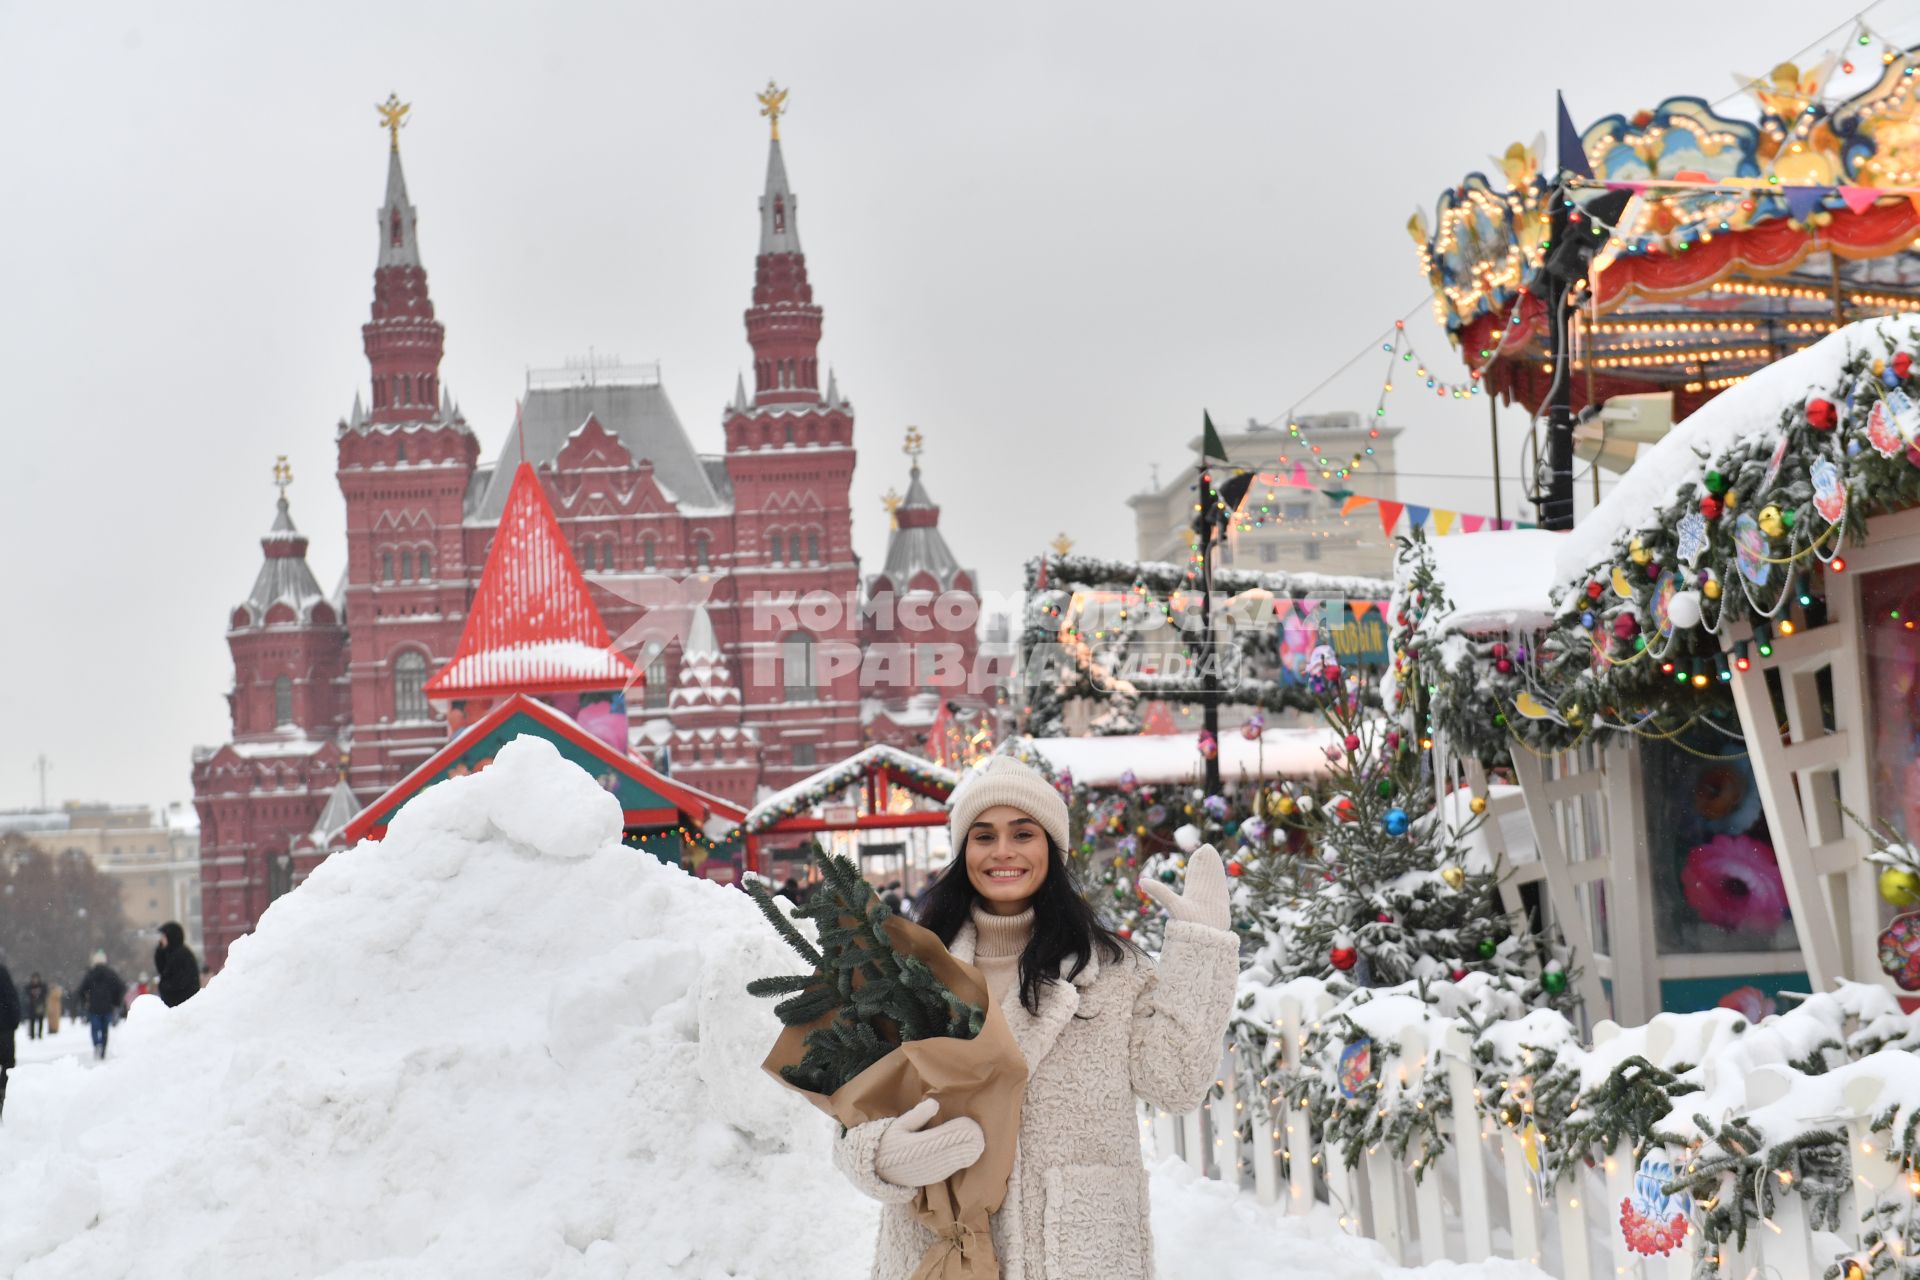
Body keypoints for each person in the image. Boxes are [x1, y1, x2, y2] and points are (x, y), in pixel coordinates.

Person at [830, 754, 1238, 1278]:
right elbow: (849, 1116)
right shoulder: (912, 973)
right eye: (983, 836)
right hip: (935, 1251)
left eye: (1023, 834)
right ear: (962, 852)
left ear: (1051, 847)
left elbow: (1177, 1082)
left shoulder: (1109, 971)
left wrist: (1201, 952)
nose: (1003, 852)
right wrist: (882, 1155)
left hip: (1077, 1250)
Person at [75, 951, 127, 1060]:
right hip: (107, 1006)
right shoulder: (111, 973)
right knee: (105, 1029)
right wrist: (116, 1001)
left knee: (95, 1028)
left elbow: (81, 990)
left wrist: (85, 1002)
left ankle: (97, 1044)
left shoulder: (90, 974)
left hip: (94, 1006)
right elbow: (121, 987)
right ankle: (103, 1048)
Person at [155, 921, 201, 1009]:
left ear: (170, 937)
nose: (161, 940)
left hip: (182, 1006)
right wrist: (160, 950)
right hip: (178, 1005)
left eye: (163, 936)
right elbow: (161, 969)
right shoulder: (171, 954)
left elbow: (179, 982)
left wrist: (164, 987)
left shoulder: (180, 955)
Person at [0, 956, 18, 1119]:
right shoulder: (3, 973)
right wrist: (14, 1021)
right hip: (4, 1026)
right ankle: (3, 1094)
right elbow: (12, 998)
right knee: (7, 1063)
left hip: (5, 1024)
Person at [24, 972, 47, 1040]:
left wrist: (39, 994)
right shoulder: (29, 986)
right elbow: (26, 993)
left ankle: (39, 1034)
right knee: (32, 1021)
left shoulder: (42, 986)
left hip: (40, 1005)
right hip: (32, 1006)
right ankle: (32, 1035)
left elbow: (45, 993)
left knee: (40, 1020)